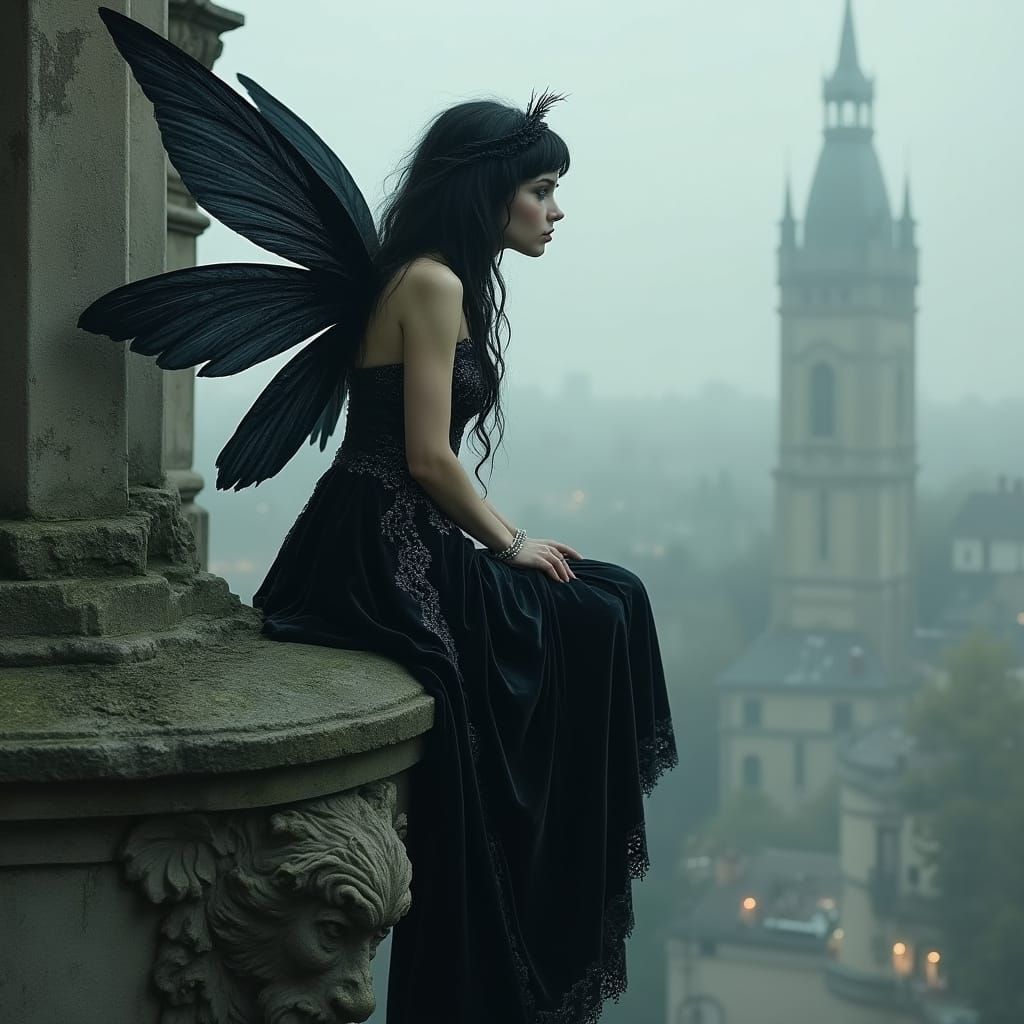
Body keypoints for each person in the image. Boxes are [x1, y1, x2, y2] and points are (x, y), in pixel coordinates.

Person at [80, 9, 678, 1022]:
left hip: (383, 529)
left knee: (610, 596)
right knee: (593, 612)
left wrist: (503, 544)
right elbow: (427, 456)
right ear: (490, 189)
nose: (553, 212)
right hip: (382, 544)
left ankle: (559, 865)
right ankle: (549, 883)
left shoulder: (427, 275)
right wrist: (511, 541)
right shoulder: (435, 281)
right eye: (542, 191)